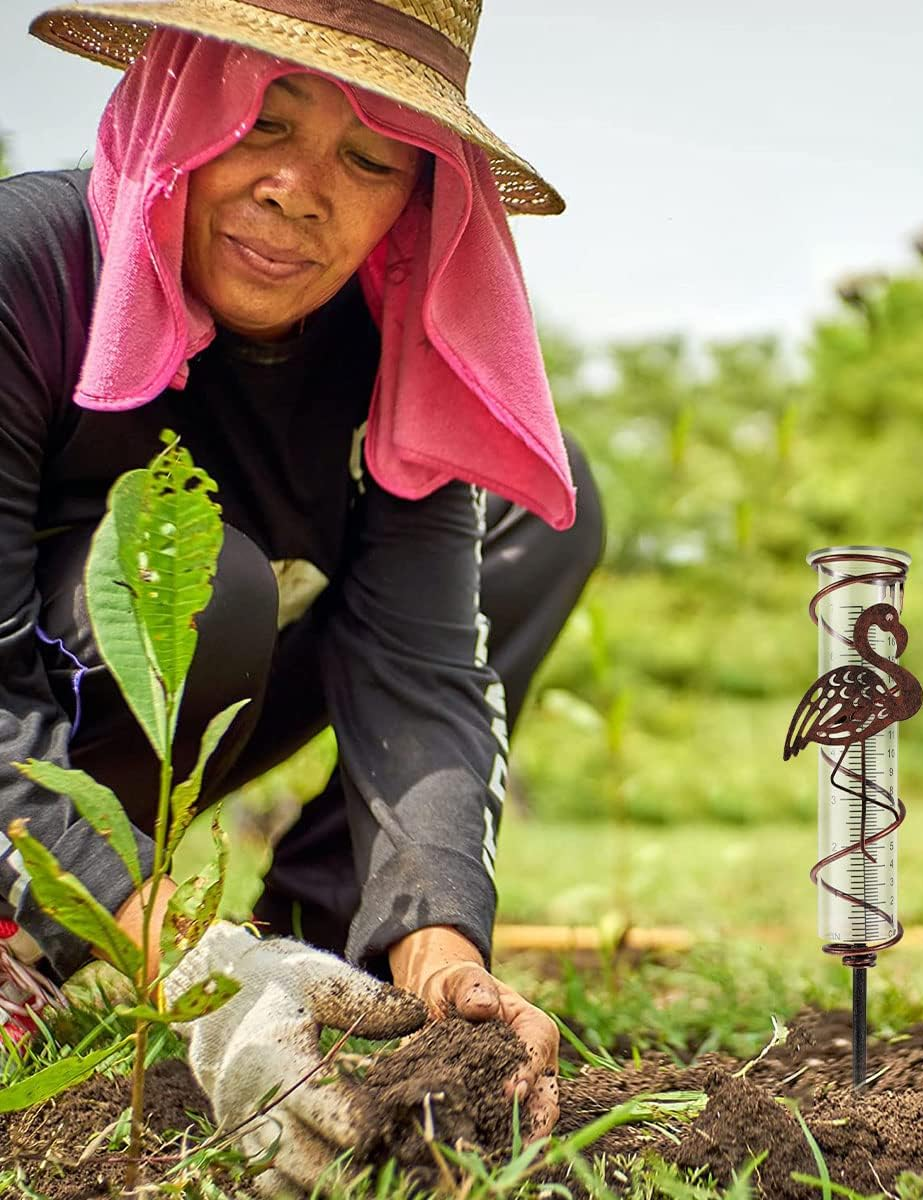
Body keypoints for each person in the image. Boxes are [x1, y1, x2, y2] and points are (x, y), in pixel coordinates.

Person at [0, 0, 604, 1188]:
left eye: (370, 157)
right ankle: (39, 923)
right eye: (258, 123)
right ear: (179, 106)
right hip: (30, 730)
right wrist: (194, 956)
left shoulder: (394, 348)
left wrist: (443, 966)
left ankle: (331, 959)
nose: (298, 188)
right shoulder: (28, 275)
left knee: (540, 490)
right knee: (197, 585)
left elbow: (419, 671)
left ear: (418, 199)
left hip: (160, 744)